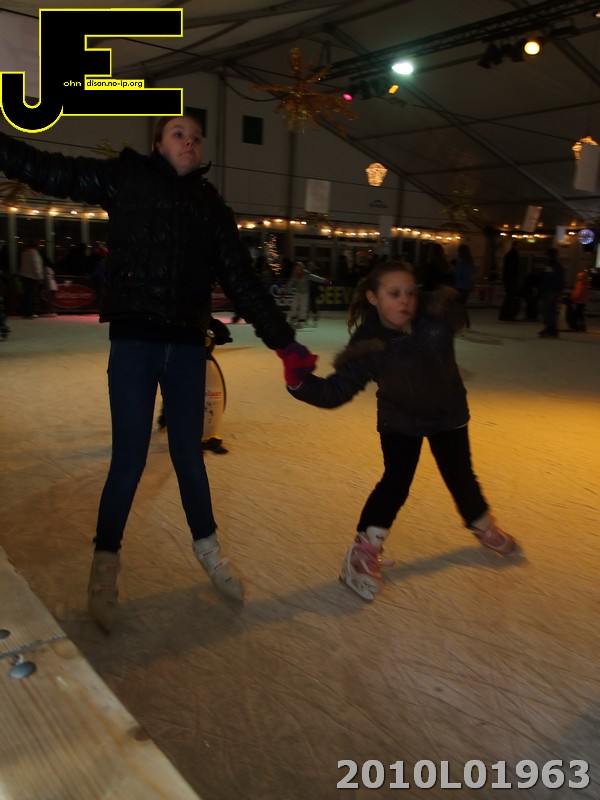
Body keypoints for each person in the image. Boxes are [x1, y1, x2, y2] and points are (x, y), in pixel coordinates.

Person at [0, 116, 315, 632]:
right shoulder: (125, 178)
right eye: (178, 134)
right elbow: (49, 169)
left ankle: (209, 551)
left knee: (189, 456)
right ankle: (104, 570)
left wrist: (284, 342)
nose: (189, 141)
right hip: (135, 343)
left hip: (187, 347)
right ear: (158, 143)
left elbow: (241, 279)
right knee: (129, 460)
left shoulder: (211, 208)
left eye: (196, 136)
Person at [279, 260, 517, 601]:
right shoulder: (369, 343)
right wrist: (299, 381)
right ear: (373, 298)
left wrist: (449, 305)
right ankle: (364, 549)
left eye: (410, 293)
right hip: (401, 420)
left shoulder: (434, 316)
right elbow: (335, 391)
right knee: (396, 482)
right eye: (394, 294)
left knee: (460, 475)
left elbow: (457, 316)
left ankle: (481, 524)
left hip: (447, 413)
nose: (405, 300)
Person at [538, 247, 564, 338]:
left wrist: (543, 288)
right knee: (549, 309)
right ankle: (551, 328)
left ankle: (551, 328)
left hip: (551, 290)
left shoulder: (551, 265)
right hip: (553, 289)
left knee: (547, 309)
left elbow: (547, 278)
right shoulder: (556, 265)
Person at [19, 239, 45, 317]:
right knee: (30, 295)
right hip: (32, 277)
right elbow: (36, 266)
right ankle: (29, 312)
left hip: (24, 275)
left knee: (26, 295)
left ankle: (24, 311)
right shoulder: (34, 253)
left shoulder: (24, 253)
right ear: (36, 246)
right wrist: (39, 277)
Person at [452, 243, 475, 328]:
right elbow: (471, 274)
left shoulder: (460, 262)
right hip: (467, 287)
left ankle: (459, 321)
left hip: (459, 286)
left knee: (457, 305)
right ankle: (466, 321)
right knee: (462, 305)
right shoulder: (470, 262)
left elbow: (457, 274)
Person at [498, 240, 521, 321]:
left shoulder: (510, 254)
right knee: (510, 297)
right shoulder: (513, 255)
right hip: (511, 279)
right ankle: (508, 314)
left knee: (509, 297)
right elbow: (512, 269)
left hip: (509, 279)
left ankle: (506, 314)